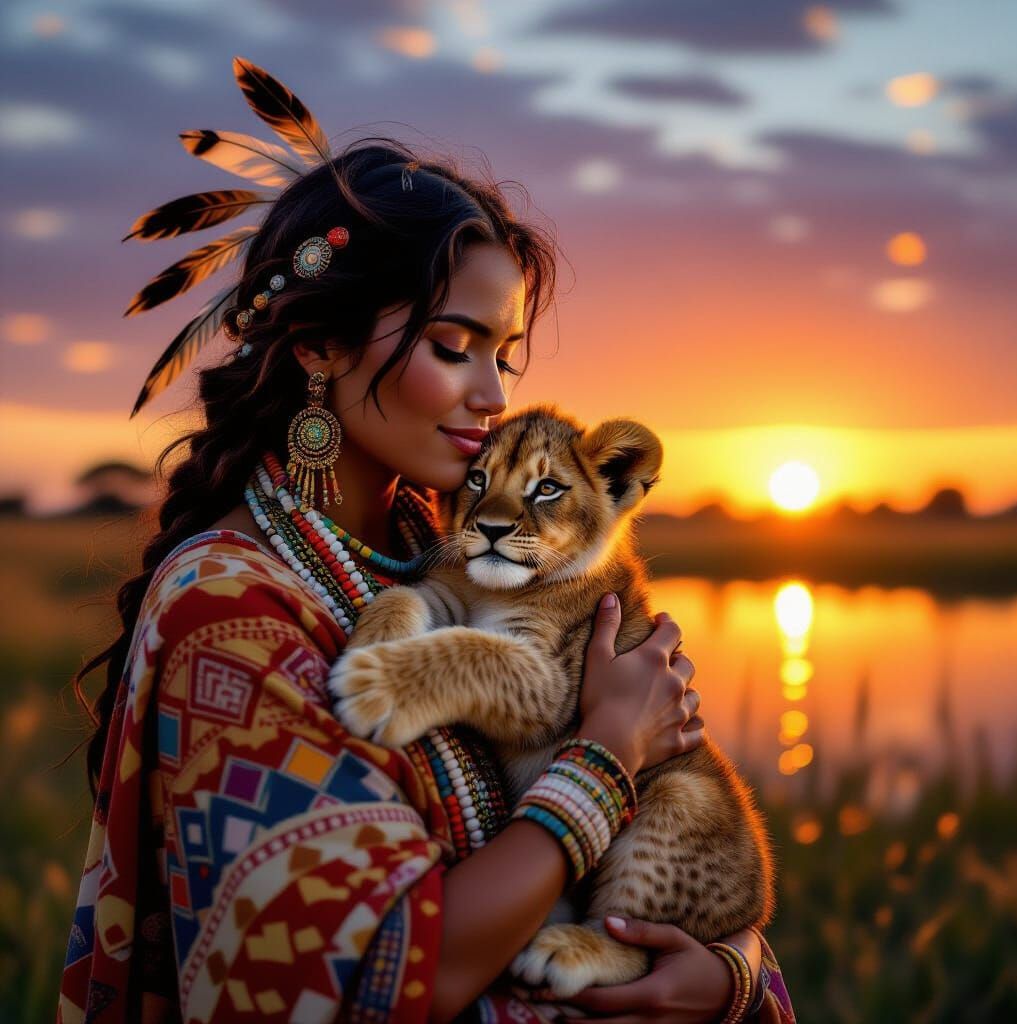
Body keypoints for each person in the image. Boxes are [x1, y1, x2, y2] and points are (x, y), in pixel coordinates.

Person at [59, 84, 794, 1024]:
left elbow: (694, 861)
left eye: (507, 357)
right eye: (454, 345)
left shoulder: (429, 546)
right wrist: (607, 755)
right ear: (321, 347)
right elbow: (373, 981)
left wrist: (725, 973)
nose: (492, 394)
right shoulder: (228, 613)